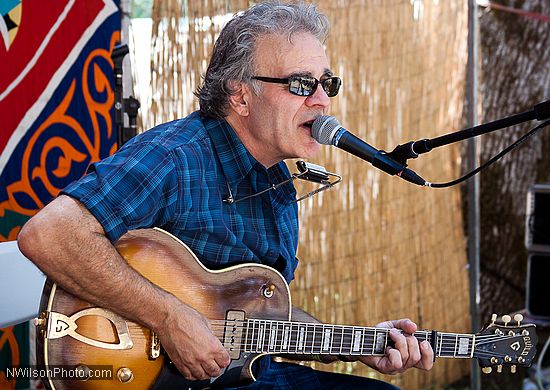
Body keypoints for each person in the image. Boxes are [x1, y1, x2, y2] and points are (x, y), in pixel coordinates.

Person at [18, 1, 434, 388]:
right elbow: (49, 234)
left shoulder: (279, 185)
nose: (323, 101)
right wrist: (168, 317)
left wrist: (361, 343)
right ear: (240, 95)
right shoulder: (173, 157)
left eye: (327, 83)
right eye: (302, 83)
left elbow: (261, 321)